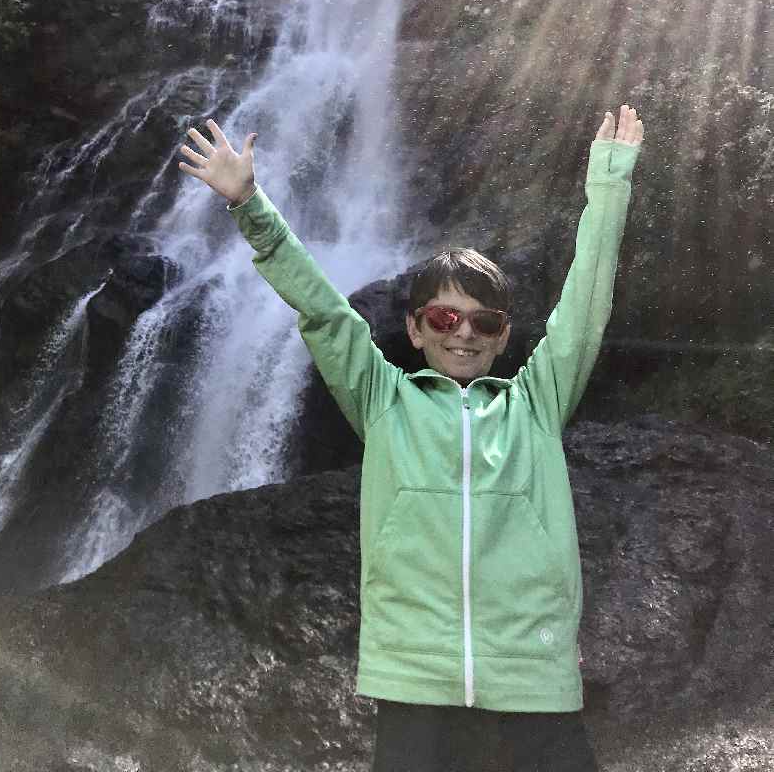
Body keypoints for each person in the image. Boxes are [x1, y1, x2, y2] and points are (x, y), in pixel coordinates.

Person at [178, 104, 643, 772]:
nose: (464, 332)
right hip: (414, 679)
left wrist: (610, 181)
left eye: (483, 322)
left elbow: (585, 310)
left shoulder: (537, 405)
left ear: (504, 336)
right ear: (416, 328)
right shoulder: (384, 398)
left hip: (532, 675)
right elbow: (324, 312)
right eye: (446, 316)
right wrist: (250, 203)